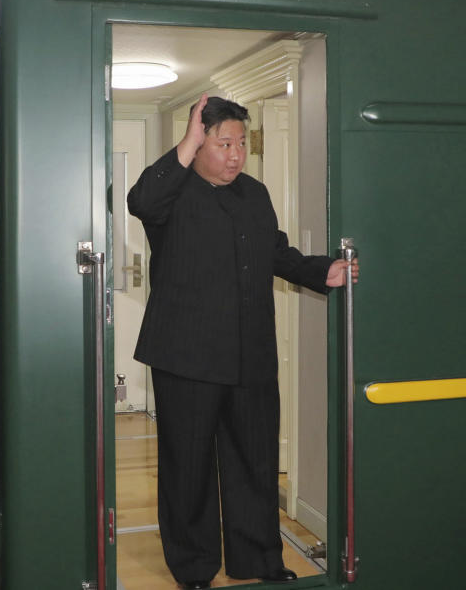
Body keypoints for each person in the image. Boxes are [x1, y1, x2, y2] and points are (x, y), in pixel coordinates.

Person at [127, 94, 359, 589]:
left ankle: (259, 560)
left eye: (240, 144)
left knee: (255, 462)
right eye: (223, 143)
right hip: (185, 356)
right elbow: (139, 200)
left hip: (250, 355)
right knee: (187, 468)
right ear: (200, 141)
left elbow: (276, 251)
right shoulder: (172, 194)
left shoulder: (254, 193)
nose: (235, 155)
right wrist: (186, 142)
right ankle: (193, 568)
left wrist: (324, 270)